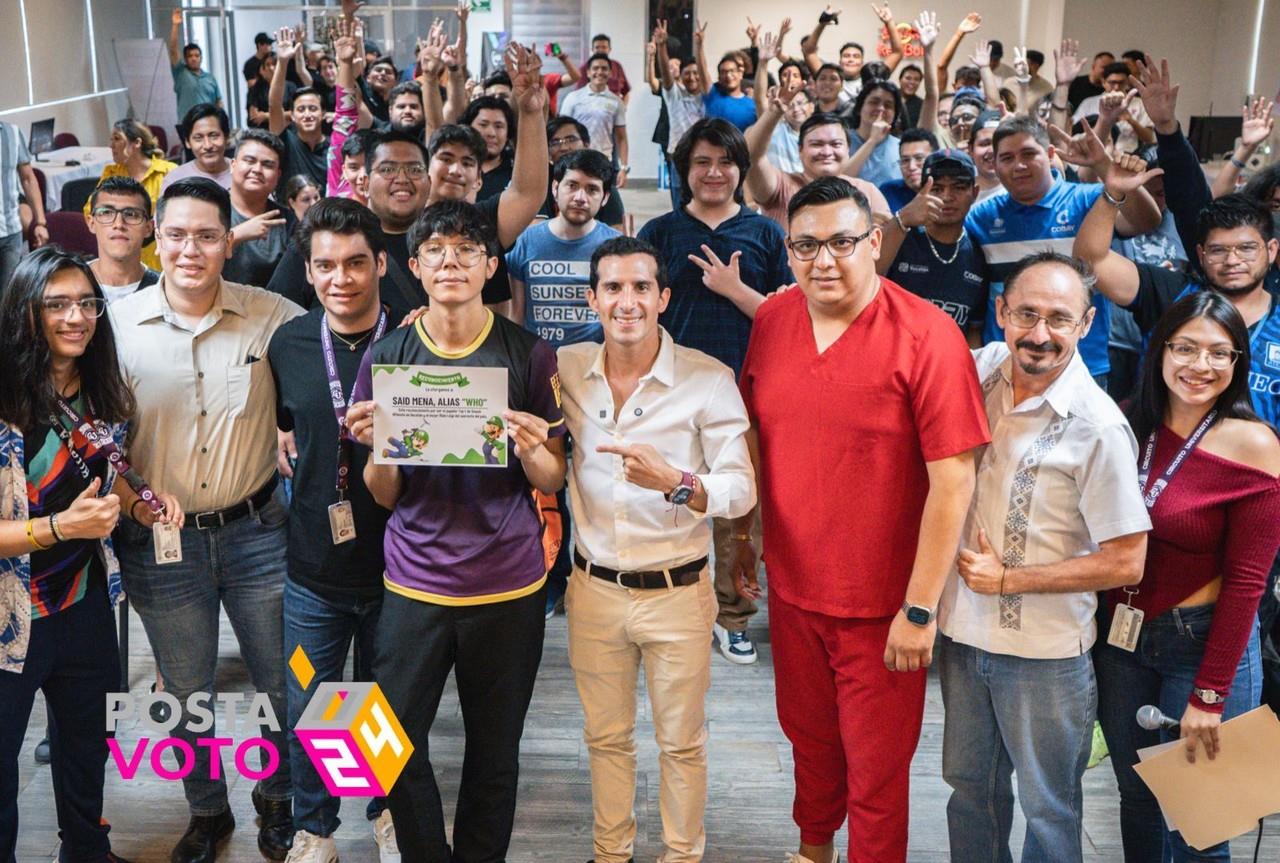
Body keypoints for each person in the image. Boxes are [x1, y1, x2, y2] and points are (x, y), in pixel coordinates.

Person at [731, 177, 988, 863]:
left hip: (882, 604)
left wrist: (919, 608)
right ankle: (813, 849)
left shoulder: (929, 336)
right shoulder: (773, 321)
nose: (824, 259)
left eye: (842, 241)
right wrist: (745, 536)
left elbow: (953, 480)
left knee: (877, 770)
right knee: (809, 741)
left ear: (875, 241)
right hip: (792, 588)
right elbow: (759, 438)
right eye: (805, 245)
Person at [344, 200, 567, 862]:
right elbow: (382, 494)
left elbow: (553, 478)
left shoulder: (528, 353)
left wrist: (530, 448)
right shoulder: (389, 356)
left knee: (494, 752)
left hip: (508, 585)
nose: (450, 262)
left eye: (466, 250)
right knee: (386, 745)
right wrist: (381, 447)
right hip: (415, 583)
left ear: (489, 266)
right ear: (413, 267)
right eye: (436, 251)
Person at [109, 178, 304, 863]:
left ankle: (278, 800)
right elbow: (97, 441)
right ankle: (207, 809)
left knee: (282, 680)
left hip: (258, 533)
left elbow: (346, 335)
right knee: (185, 688)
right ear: (154, 240)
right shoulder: (116, 328)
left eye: (207, 235)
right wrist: (130, 500)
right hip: (160, 543)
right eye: (177, 235)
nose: (191, 249)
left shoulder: (274, 314)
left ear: (230, 240)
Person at [937, 251, 1151, 863]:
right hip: (961, 636)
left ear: (1086, 324)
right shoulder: (979, 370)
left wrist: (1010, 580)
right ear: (1000, 312)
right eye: (1026, 313)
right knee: (969, 791)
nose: (1039, 334)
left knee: (1049, 808)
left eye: (1059, 318)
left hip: (1046, 655)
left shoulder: (1099, 427)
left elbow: (1126, 561)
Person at [558, 235, 756, 863]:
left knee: (681, 741)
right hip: (592, 588)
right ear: (592, 299)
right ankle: (610, 853)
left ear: (663, 297)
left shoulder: (706, 378)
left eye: (641, 287)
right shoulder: (563, 367)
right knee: (606, 737)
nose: (627, 301)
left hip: (677, 589)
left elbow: (742, 486)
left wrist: (677, 482)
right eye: (613, 287)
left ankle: (681, 855)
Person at [0, 247, 182, 863]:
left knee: (86, 746)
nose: (76, 317)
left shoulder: (99, 388)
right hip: (11, 618)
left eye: (87, 303)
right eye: (57, 304)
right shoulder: (3, 397)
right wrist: (58, 527)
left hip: (84, 605)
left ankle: (86, 850)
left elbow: (115, 478)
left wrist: (141, 507)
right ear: (26, 313)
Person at [1095, 292, 1280, 862]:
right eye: (1186, 348)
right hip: (1123, 641)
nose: (1200, 366)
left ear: (1237, 364)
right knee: (1137, 798)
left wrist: (1209, 694)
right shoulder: (1128, 422)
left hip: (1202, 645)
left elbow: (1248, 584)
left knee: (1201, 821)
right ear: (1159, 352)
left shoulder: (1255, 444)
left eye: (1219, 354)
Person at [267, 199, 403, 863]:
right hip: (311, 572)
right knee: (310, 702)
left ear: (380, 262)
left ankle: (384, 811)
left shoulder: (409, 342)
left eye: (355, 262)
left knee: (376, 704)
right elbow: (278, 426)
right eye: (325, 265)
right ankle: (315, 828)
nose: (341, 278)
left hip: (396, 568)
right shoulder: (289, 344)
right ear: (310, 271)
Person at [638, 118, 793, 664]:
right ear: (684, 170)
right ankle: (670, 608)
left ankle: (733, 617)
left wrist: (736, 289)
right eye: (701, 162)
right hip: (670, 388)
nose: (714, 172)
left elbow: (786, 318)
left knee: (734, 508)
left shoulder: (766, 234)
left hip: (743, 390)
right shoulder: (658, 234)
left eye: (726, 162)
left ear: (741, 171)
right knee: (664, 498)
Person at [964, 115, 1161, 387]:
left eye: (1029, 154)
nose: (1019, 165)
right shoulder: (981, 217)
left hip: (1082, 365)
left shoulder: (1087, 199)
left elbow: (1146, 221)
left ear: (1050, 154)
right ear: (994, 165)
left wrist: (1105, 167)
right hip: (1006, 365)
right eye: (1007, 158)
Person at [1076, 183, 1280, 427]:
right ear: (1201, 254)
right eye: (1218, 250)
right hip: (1159, 453)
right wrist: (1114, 193)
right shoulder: (1172, 293)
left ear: (1271, 250)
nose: (1232, 260)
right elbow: (1091, 259)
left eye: (1246, 249)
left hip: (1257, 459)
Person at [508, 149, 621, 347]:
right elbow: (516, 315)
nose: (580, 197)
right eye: (572, 185)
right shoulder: (525, 241)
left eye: (592, 189)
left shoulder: (616, 247)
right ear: (555, 188)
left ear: (605, 198)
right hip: (538, 359)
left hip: (594, 361)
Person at [876, 149, 987, 345]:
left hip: (945, 367)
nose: (947, 196)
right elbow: (866, 277)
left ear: (975, 193)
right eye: (936, 189)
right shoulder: (899, 237)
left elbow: (973, 331)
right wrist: (902, 219)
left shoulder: (979, 254)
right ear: (921, 193)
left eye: (958, 187)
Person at [745, 106, 891, 231]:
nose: (827, 152)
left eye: (836, 144)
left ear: (848, 149)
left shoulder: (868, 191)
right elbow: (752, 157)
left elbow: (884, 249)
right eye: (817, 144)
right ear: (800, 150)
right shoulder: (779, 186)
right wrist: (774, 112)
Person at [88, 120, 176, 270]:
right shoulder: (111, 173)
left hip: (161, 256)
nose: (111, 145)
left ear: (136, 143)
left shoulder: (168, 172)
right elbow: (90, 210)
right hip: (122, 255)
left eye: (117, 138)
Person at [223, 128, 289, 288]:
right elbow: (196, 256)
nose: (257, 170)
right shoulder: (209, 209)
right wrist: (236, 235)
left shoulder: (288, 220)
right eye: (249, 161)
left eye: (267, 165)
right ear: (233, 165)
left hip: (276, 308)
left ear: (278, 175)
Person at [654, 18, 706, 212]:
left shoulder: (707, 95)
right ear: (681, 75)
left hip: (703, 155)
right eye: (687, 73)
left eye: (696, 73)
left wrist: (700, 46)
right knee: (679, 200)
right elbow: (666, 77)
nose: (692, 77)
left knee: (701, 198)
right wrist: (661, 47)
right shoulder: (674, 94)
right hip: (679, 154)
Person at [268, 28, 329, 188]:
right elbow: (274, 104)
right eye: (301, 110)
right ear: (292, 116)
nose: (307, 114)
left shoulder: (333, 147)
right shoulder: (286, 141)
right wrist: (282, 62)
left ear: (322, 113)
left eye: (313, 109)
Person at [540, 117, 626, 230]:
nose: (564, 147)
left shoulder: (601, 179)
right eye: (555, 142)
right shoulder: (541, 182)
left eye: (571, 139)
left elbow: (617, 231)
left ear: (586, 144)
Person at [85, 177, 161, 304]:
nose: (119, 224)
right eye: (107, 212)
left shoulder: (163, 291)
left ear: (148, 228)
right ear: (91, 223)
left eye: (131, 214)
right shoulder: (70, 284)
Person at [559, 54, 630, 183]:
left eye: (604, 69)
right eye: (595, 68)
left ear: (610, 73)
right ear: (588, 72)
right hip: (576, 161)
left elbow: (621, 138)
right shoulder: (573, 98)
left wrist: (623, 168)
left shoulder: (616, 102)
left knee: (603, 201)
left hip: (603, 162)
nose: (599, 72)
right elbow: (562, 131)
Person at [0, 120, 47, 290]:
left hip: (11, 232)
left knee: (9, 295)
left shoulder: (12, 132)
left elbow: (28, 178)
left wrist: (40, 222)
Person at [846, 81, 909, 186]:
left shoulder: (901, 147)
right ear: (859, 108)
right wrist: (872, 141)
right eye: (874, 102)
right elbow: (838, 181)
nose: (881, 109)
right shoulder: (841, 140)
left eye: (888, 105)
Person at [169, 9, 223, 120]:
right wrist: (175, 25)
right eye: (190, 56)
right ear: (185, 59)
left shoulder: (210, 78)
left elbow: (218, 102)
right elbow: (173, 50)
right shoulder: (181, 73)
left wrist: (221, 121)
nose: (194, 58)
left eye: (197, 55)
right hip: (187, 124)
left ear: (201, 58)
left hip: (208, 122)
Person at [164, 104, 232, 191]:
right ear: (187, 142)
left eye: (214, 136)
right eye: (198, 138)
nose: (207, 146)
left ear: (227, 137)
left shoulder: (245, 173)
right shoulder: (174, 181)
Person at [460, 96, 515, 200]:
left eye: (498, 126)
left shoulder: (517, 172)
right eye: (483, 125)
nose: (491, 133)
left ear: (508, 133)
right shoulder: (454, 169)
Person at [697, 35, 757, 133]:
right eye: (724, 72)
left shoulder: (753, 104)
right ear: (719, 77)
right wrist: (699, 46)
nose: (728, 75)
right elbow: (702, 72)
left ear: (740, 73)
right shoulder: (712, 95)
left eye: (732, 71)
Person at [879, 128, 938, 212]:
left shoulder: (950, 191)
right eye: (905, 160)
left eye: (919, 158)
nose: (911, 167)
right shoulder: (889, 191)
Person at [577, 33, 631, 101]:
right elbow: (579, 94)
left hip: (613, 109)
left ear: (609, 49)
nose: (600, 50)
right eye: (597, 47)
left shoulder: (617, 66)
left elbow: (626, 92)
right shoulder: (584, 68)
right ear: (592, 49)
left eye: (604, 47)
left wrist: (622, 108)